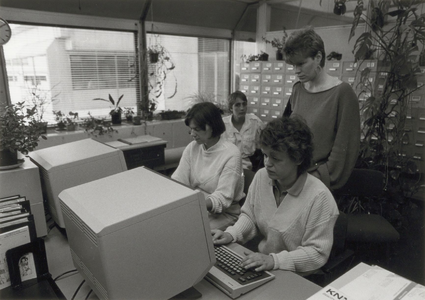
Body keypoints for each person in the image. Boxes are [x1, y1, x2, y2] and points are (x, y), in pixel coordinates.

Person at [212, 117, 339, 275]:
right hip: (265, 265)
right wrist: (231, 233)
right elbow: (250, 217)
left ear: (298, 158)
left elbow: (316, 253)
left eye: (276, 158)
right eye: (265, 155)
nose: (267, 163)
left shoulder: (320, 197)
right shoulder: (262, 177)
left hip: (297, 275)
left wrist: (275, 261)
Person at [282, 26, 360, 190]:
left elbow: (344, 147)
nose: (296, 71)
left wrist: (321, 177)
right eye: (293, 65)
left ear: (318, 57)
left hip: (318, 182)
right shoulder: (298, 89)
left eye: (302, 64)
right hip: (292, 175)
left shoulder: (342, 93)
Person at [172, 102, 245, 230]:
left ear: (211, 126)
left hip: (224, 214)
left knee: (188, 231)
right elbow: (178, 180)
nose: (192, 134)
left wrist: (194, 204)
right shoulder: (192, 148)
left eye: (197, 129)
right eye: (191, 129)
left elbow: (223, 198)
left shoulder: (231, 154)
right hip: (197, 207)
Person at [222, 91, 265, 170]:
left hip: (249, 165)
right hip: (227, 164)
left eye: (244, 104)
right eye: (237, 105)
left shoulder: (255, 122)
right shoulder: (223, 124)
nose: (242, 108)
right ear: (231, 108)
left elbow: (265, 143)